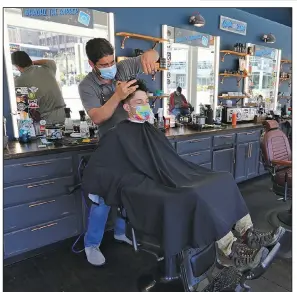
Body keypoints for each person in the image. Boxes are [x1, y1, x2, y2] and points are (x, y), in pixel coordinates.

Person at [86, 79, 285, 273]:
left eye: (146, 102)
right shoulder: (117, 134)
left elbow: (166, 160)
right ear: (126, 107)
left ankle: (248, 233)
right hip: (147, 184)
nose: (145, 106)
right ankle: (230, 249)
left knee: (223, 179)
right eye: (139, 103)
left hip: (172, 174)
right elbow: (102, 169)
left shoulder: (150, 130)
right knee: (194, 194)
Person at [78, 38, 159, 266]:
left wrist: (151, 56)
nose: (111, 66)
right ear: (92, 64)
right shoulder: (87, 86)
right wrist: (117, 96)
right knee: (102, 197)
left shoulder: (123, 68)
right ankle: (91, 244)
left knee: (128, 192)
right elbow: (97, 117)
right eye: (105, 64)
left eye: (112, 60)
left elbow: (151, 57)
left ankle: (120, 232)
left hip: (132, 146)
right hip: (110, 147)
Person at [11, 51, 66, 124]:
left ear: (17, 66)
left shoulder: (19, 81)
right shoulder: (47, 68)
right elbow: (50, 61)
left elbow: (21, 105)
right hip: (64, 114)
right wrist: (33, 62)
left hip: (47, 119)